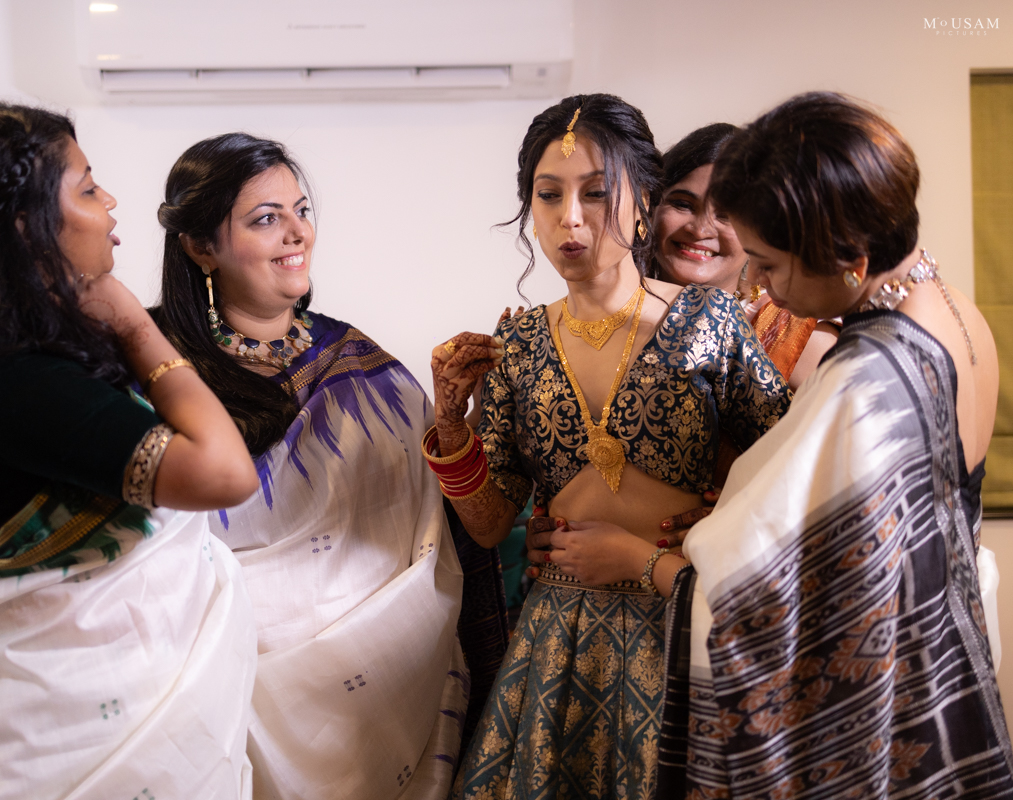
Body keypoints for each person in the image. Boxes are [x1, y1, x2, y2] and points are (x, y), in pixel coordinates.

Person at [0, 104, 260, 798]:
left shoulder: (0, 359)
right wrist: (134, 324)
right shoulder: (13, 379)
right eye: (88, 188)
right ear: (25, 226)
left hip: (52, 723)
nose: (110, 201)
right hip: (61, 742)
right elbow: (224, 473)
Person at [429, 94, 791, 799]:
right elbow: (491, 523)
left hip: (678, 614)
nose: (570, 217)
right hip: (558, 638)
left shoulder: (708, 321)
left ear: (642, 203)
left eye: (596, 193)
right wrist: (450, 423)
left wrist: (717, 520)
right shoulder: (517, 343)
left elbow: (788, 471)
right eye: (549, 195)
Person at [648, 92, 1011, 797]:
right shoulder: (952, 308)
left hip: (883, 698)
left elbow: (759, 593)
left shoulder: (863, 383)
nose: (758, 283)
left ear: (846, 256)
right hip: (938, 653)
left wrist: (646, 564)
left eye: (768, 263)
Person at [153, 133, 469, 799]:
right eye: (265, 219)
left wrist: (454, 422)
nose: (297, 232)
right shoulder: (154, 369)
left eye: (300, 210)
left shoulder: (361, 365)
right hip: (215, 657)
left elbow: (420, 530)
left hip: (381, 662)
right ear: (201, 247)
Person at [652, 122, 838, 390]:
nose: (700, 229)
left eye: (727, 215)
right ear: (649, 205)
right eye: (683, 204)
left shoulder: (795, 336)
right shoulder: (607, 311)